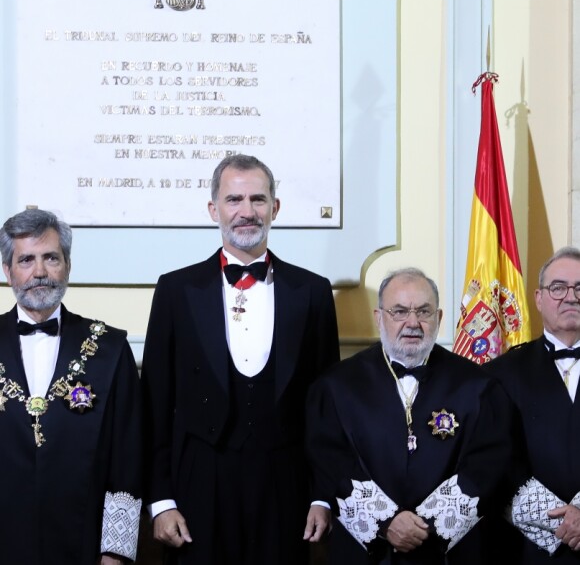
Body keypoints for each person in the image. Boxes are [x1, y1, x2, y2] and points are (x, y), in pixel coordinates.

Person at [141, 153, 340, 564]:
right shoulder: (176, 290)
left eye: (258, 199)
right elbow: (155, 405)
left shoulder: (314, 292)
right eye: (234, 200)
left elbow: (327, 410)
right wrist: (160, 500)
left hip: (286, 486)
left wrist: (323, 494)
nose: (246, 212)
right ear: (214, 209)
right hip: (198, 483)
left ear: (275, 208)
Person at [305, 267, 513, 565]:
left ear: (439, 318)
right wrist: (386, 521)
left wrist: (426, 525)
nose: (412, 323)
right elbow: (330, 460)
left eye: (424, 312)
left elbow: (486, 463)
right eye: (399, 311)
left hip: (447, 552)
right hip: (366, 552)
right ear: (379, 318)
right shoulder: (336, 387)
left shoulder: (478, 386)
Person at [0, 208, 141, 564]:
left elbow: (127, 455)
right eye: (26, 260)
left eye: (51, 258)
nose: (40, 272)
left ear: (68, 266)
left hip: (83, 542)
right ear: (8, 271)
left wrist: (116, 553)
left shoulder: (109, 348)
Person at [485, 246, 580, 563]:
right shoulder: (500, 373)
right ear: (538, 298)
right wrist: (560, 521)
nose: (571, 297)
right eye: (558, 287)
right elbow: (494, 454)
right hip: (527, 548)